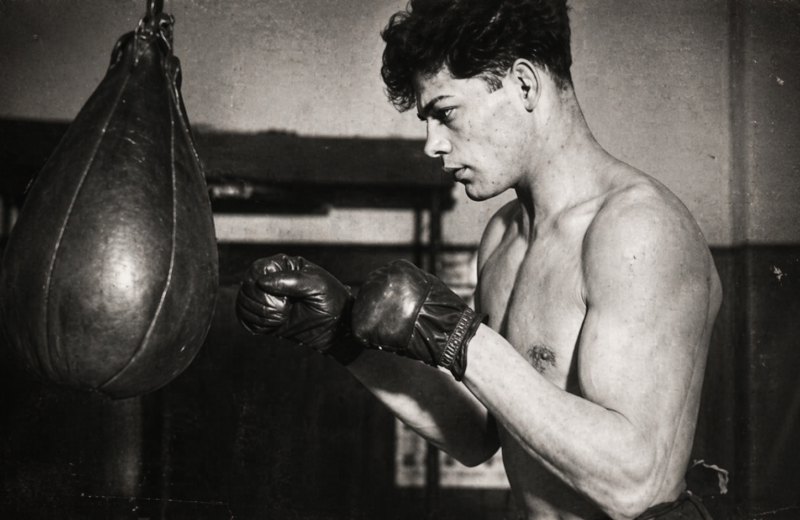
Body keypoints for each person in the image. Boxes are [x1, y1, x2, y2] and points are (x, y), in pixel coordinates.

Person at [235, 1, 723, 518]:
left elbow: (637, 483)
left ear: (524, 85)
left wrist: (462, 339)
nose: (431, 145)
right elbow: (475, 434)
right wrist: (341, 336)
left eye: (445, 113)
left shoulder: (637, 229)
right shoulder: (504, 238)